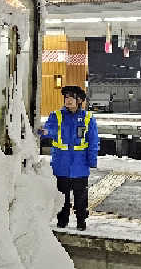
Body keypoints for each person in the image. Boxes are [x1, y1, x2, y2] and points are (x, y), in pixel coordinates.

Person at [40, 85, 99, 231]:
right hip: (61, 166)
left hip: (80, 166)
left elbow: (93, 141)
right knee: (62, 198)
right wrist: (43, 131)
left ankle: (81, 222)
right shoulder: (57, 116)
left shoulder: (88, 118)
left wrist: (92, 161)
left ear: (79, 100)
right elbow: (50, 129)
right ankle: (62, 222)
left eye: (71, 97)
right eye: (66, 97)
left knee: (81, 198)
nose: (68, 100)